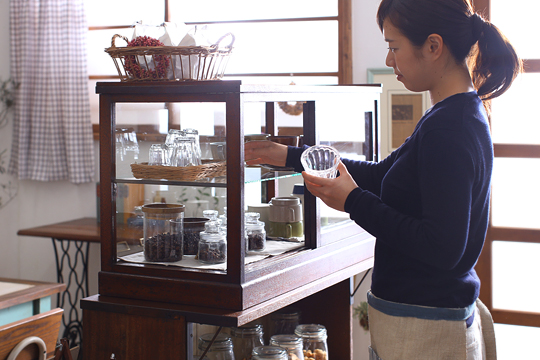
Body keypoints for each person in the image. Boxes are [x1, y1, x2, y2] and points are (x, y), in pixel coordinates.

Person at [245, 0, 522, 358]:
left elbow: (442, 247)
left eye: (394, 47)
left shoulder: (450, 127)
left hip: (427, 324)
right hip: (424, 316)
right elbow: (382, 175)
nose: (390, 60)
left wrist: (352, 201)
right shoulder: (450, 113)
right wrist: (290, 156)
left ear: (433, 46)